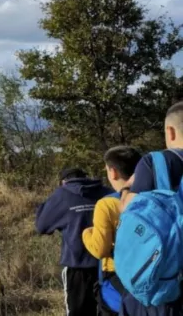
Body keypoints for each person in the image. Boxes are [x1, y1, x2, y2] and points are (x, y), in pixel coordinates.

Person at [117, 102, 183, 316]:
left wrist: (126, 188)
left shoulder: (156, 162)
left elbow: (127, 211)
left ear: (170, 131)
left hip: (162, 287)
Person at [35, 168, 112, 316]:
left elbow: (41, 226)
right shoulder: (106, 192)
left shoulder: (62, 195)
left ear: (63, 182)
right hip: (108, 265)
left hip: (77, 266)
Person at [82, 146, 141, 316]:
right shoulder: (156, 196)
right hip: (151, 277)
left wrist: (86, 234)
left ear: (113, 172)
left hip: (117, 280)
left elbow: (100, 249)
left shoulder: (107, 204)